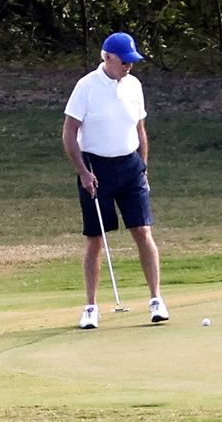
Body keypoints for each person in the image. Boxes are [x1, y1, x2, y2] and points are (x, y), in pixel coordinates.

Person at [61, 31, 169, 328]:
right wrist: (83, 172)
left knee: (143, 231)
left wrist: (143, 166)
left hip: (131, 166)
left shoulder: (134, 85)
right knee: (95, 240)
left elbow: (140, 128)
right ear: (107, 58)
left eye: (132, 61)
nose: (129, 66)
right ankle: (91, 307)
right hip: (96, 169)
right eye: (125, 61)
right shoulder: (86, 87)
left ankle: (156, 300)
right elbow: (69, 132)